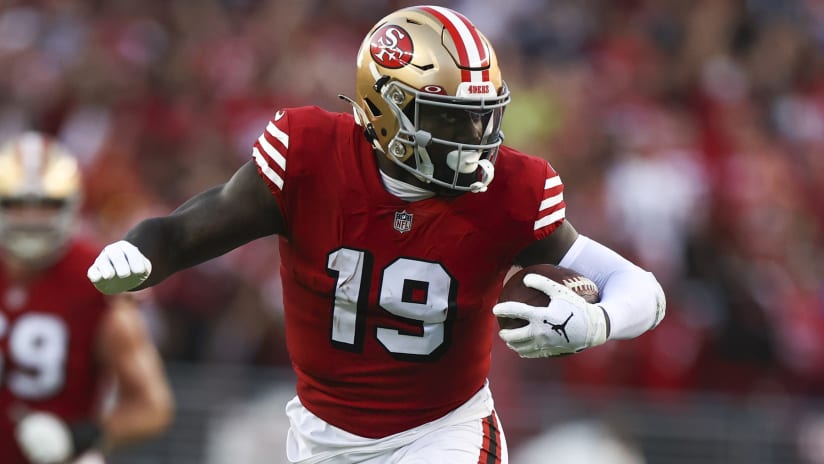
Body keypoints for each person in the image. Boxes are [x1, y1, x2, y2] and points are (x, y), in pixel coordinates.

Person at [86, 5, 665, 463]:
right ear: (385, 109)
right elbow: (188, 230)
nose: (476, 137)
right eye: (450, 117)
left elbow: (641, 289)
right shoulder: (310, 155)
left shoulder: (511, 189)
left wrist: (596, 321)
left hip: (443, 435)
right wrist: (140, 250)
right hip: (319, 435)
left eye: (482, 114)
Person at [0, 132, 174, 464]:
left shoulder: (97, 279)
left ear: (71, 205)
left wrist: (77, 437)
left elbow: (152, 407)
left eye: (46, 206)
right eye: (17, 205)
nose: (31, 220)